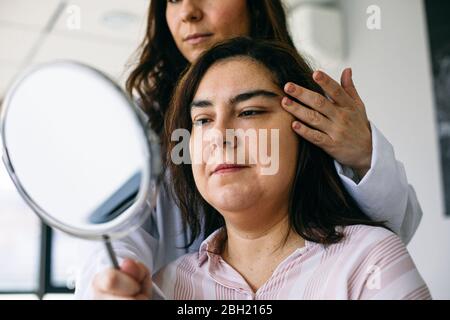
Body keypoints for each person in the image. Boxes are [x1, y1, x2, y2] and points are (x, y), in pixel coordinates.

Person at [75, 0, 423, 299]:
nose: (189, 13)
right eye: (202, 119)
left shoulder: (364, 260)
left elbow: (389, 229)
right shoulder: (167, 284)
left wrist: (363, 156)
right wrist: (115, 283)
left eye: (250, 112)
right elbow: (115, 236)